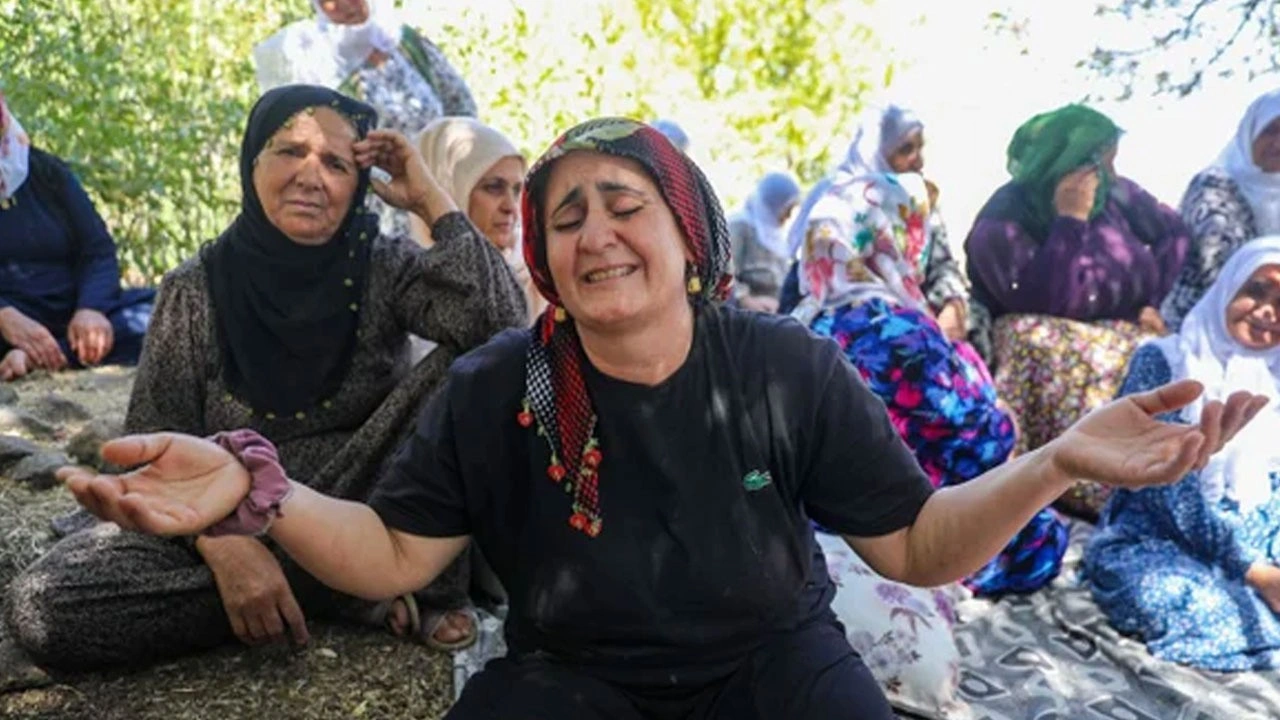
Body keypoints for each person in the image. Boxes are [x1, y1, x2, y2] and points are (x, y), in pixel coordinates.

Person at [53, 118, 1265, 720]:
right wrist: (257, 491)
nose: (589, 234)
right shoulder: (518, 381)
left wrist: (1049, 461)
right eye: (563, 216)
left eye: (619, 203)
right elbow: (396, 555)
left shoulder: (778, 367)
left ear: (688, 235)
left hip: (775, 669)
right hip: (577, 680)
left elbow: (915, 548)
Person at [2, 85, 526, 673]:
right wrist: (226, 547)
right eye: (289, 151)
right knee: (48, 604)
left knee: (475, 368)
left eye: (335, 162)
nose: (311, 175)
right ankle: (342, 587)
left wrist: (428, 196)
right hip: (218, 507)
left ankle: (351, 575)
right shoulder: (195, 287)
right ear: (252, 162)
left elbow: (502, 328)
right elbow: (147, 449)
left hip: (361, 500)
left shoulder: (386, 264)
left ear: (358, 185)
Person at [790, 168, 1066, 595]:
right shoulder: (898, 330)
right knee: (1042, 535)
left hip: (818, 517)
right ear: (890, 236)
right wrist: (1005, 421)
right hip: (899, 524)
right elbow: (978, 438)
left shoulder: (801, 322)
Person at [965, 104, 1190, 518]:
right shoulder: (1004, 219)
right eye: (1097, 160)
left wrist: (1149, 299)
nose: (1106, 172)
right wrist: (1070, 220)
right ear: (1060, 160)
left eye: (1110, 160)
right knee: (1030, 338)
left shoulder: (1117, 197)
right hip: (1048, 340)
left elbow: (1173, 233)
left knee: (1165, 356)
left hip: (1117, 337)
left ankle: (1145, 488)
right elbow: (1046, 300)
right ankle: (1072, 482)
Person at [1085, 236, 1280, 671]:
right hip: (1158, 538)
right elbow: (1164, 491)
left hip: (1256, 545)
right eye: (1256, 291)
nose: (1268, 312)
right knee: (1199, 608)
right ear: (1228, 287)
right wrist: (1255, 571)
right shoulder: (1167, 363)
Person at [253, 0, 477, 239]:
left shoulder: (407, 45)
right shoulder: (312, 58)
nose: (343, 4)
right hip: (365, 218)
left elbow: (465, 115)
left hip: (434, 204)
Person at [780, 104, 970, 342]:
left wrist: (952, 302)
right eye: (906, 149)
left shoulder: (915, 200)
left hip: (912, 314)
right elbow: (807, 275)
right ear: (877, 151)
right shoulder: (837, 196)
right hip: (842, 319)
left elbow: (942, 265)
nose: (919, 161)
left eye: (921, 148)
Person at [0, 93, 153, 382]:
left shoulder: (47, 172)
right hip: (8, 327)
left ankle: (46, 355)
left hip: (72, 315)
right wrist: (3, 316)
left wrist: (90, 309)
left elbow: (97, 250)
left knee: (170, 312)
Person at [1162, 90, 1280, 332]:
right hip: (1201, 324)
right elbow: (1219, 273)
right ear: (1250, 133)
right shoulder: (1214, 187)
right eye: (1270, 131)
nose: (1278, 143)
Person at [415, 116, 544, 323]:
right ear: (448, 189)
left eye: (517, 190)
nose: (511, 207)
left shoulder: (539, 279)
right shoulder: (402, 280)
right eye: (494, 187)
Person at [728, 171, 800, 313]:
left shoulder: (775, 234)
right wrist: (746, 299)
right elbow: (723, 273)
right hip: (743, 314)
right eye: (787, 209)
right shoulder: (740, 227)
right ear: (773, 204)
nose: (788, 216)